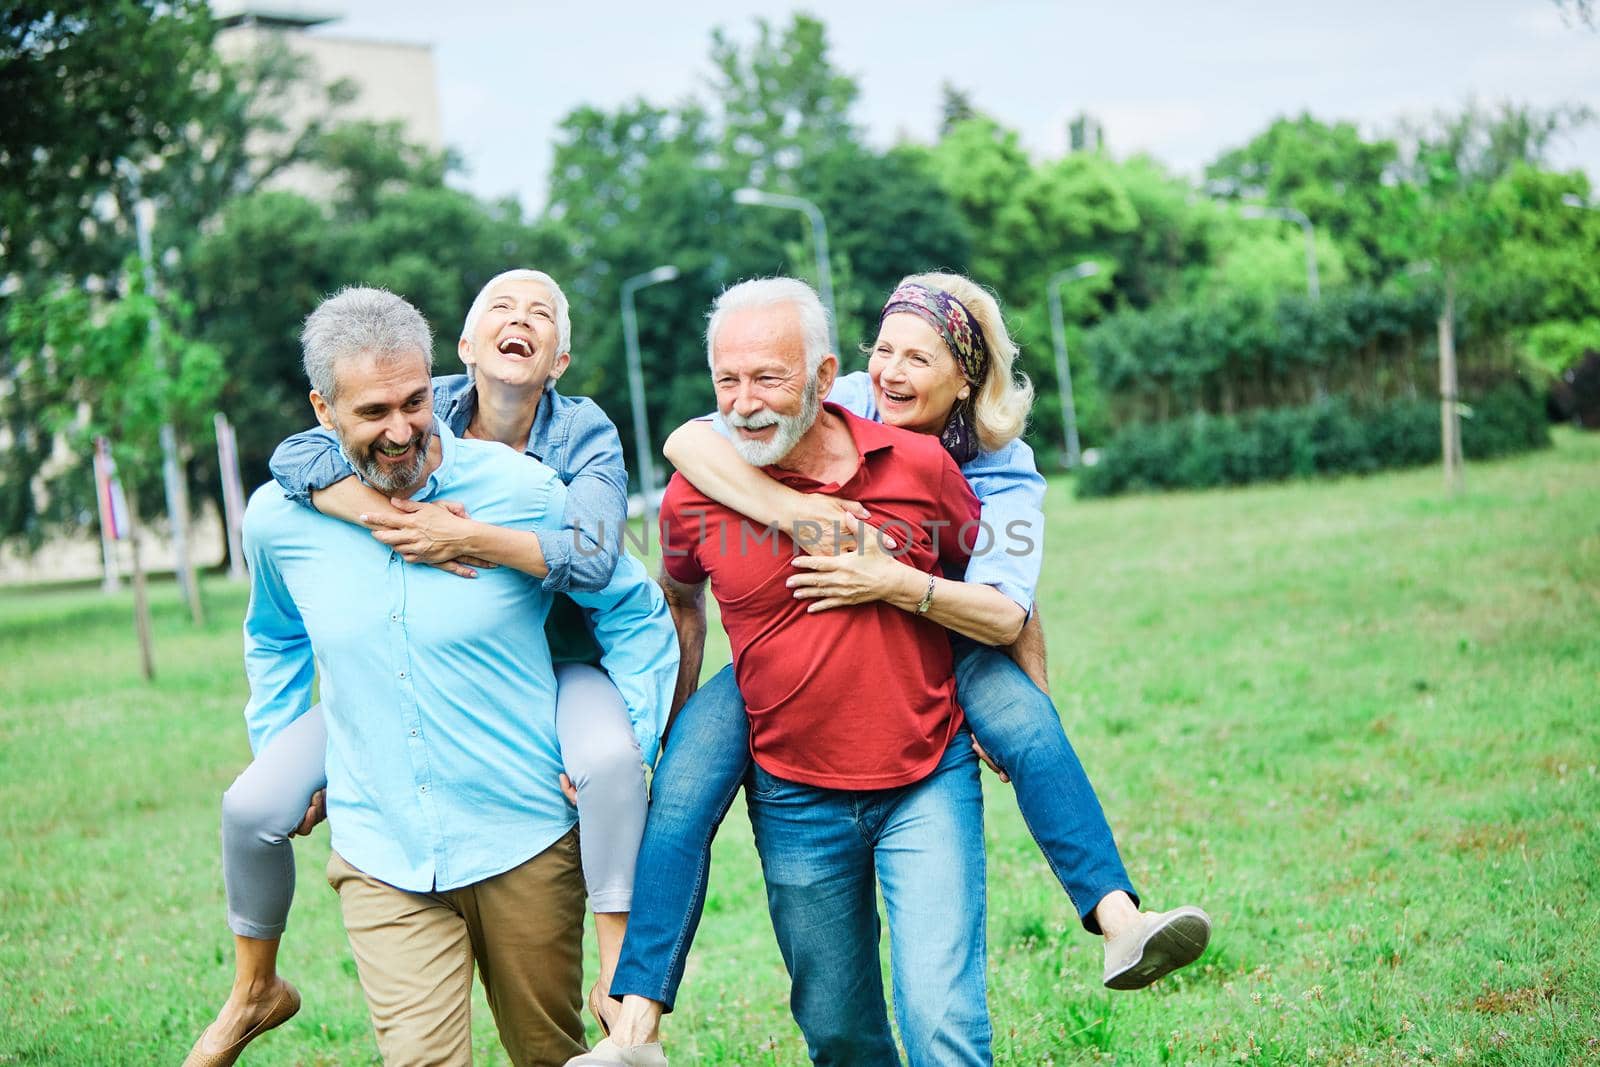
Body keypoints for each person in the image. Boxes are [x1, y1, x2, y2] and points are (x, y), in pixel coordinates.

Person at [594, 273, 1211, 1061]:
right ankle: (636, 1019)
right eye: (883, 349)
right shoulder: (825, 398)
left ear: (966, 380)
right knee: (682, 779)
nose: (890, 372)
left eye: (918, 358)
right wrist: (794, 513)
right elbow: (689, 446)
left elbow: (1008, 606)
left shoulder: (991, 471)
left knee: (1024, 722)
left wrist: (1006, 680)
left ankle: (1121, 921)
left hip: (942, 626)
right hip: (783, 697)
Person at [184, 286, 677, 1066]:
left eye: (414, 402)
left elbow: (633, 608)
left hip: (525, 835)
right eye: (372, 411)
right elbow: (274, 639)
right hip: (383, 850)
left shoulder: (525, 487)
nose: (402, 428)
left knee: (549, 1053)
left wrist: (635, 733)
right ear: (323, 409)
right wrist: (283, 749)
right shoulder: (283, 519)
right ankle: (253, 987)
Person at [574, 277, 992, 1067]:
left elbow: (986, 588)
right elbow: (681, 602)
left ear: (827, 376)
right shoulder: (695, 495)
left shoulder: (921, 465)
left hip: (925, 775)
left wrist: (1013, 710)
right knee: (838, 1032)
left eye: (768, 377)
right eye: (727, 380)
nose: (743, 401)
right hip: (795, 794)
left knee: (944, 1023)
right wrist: (668, 726)